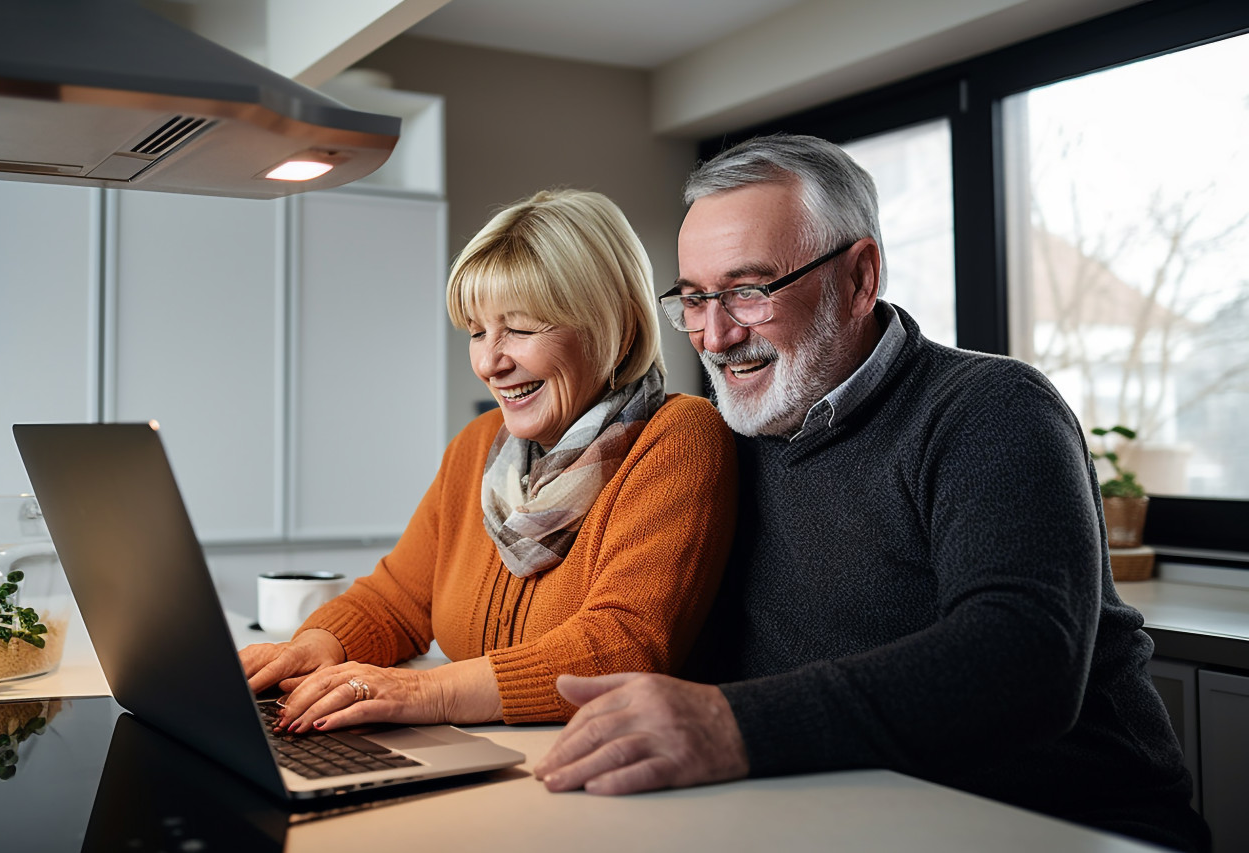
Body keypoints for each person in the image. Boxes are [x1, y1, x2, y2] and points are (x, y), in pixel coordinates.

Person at [532, 136, 1210, 853]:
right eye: (695, 298)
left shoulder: (992, 409)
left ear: (860, 278)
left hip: (1064, 829)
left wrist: (731, 723)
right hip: (844, 818)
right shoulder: (718, 442)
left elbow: (1024, 659)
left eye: (749, 291)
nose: (715, 334)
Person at [240, 189, 737, 732]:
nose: (488, 362)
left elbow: (621, 648)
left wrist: (424, 692)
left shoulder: (679, 436)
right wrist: (313, 646)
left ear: (614, 331)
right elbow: (398, 598)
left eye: (520, 329)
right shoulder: (478, 444)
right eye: (477, 332)